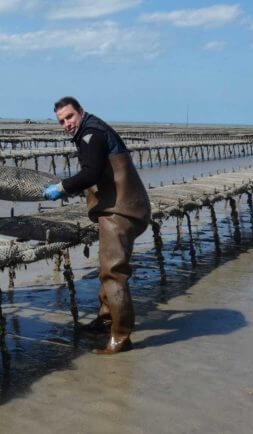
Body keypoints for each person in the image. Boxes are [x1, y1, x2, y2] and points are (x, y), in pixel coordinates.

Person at [43, 97, 151, 354]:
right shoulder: (92, 129)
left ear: (81, 112)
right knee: (107, 266)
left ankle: (121, 337)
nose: (67, 124)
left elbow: (90, 174)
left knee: (113, 272)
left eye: (70, 117)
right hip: (123, 207)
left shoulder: (91, 133)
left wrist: (62, 188)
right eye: (61, 121)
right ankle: (106, 320)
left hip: (120, 210)